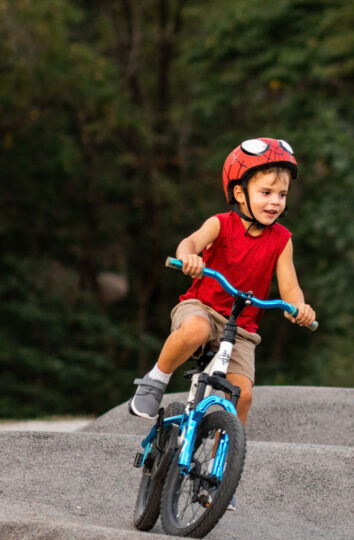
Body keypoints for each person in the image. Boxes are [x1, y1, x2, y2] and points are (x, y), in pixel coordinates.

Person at [128, 137, 316, 427]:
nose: (275, 201)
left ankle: (222, 462)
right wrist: (189, 258)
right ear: (240, 194)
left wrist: (299, 307)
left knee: (242, 396)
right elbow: (189, 243)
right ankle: (156, 379)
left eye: (282, 194)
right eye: (266, 192)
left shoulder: (282, 240)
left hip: (241, 329)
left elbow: (290, 288)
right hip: (201, 307)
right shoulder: (221, 224)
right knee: (197, 330)